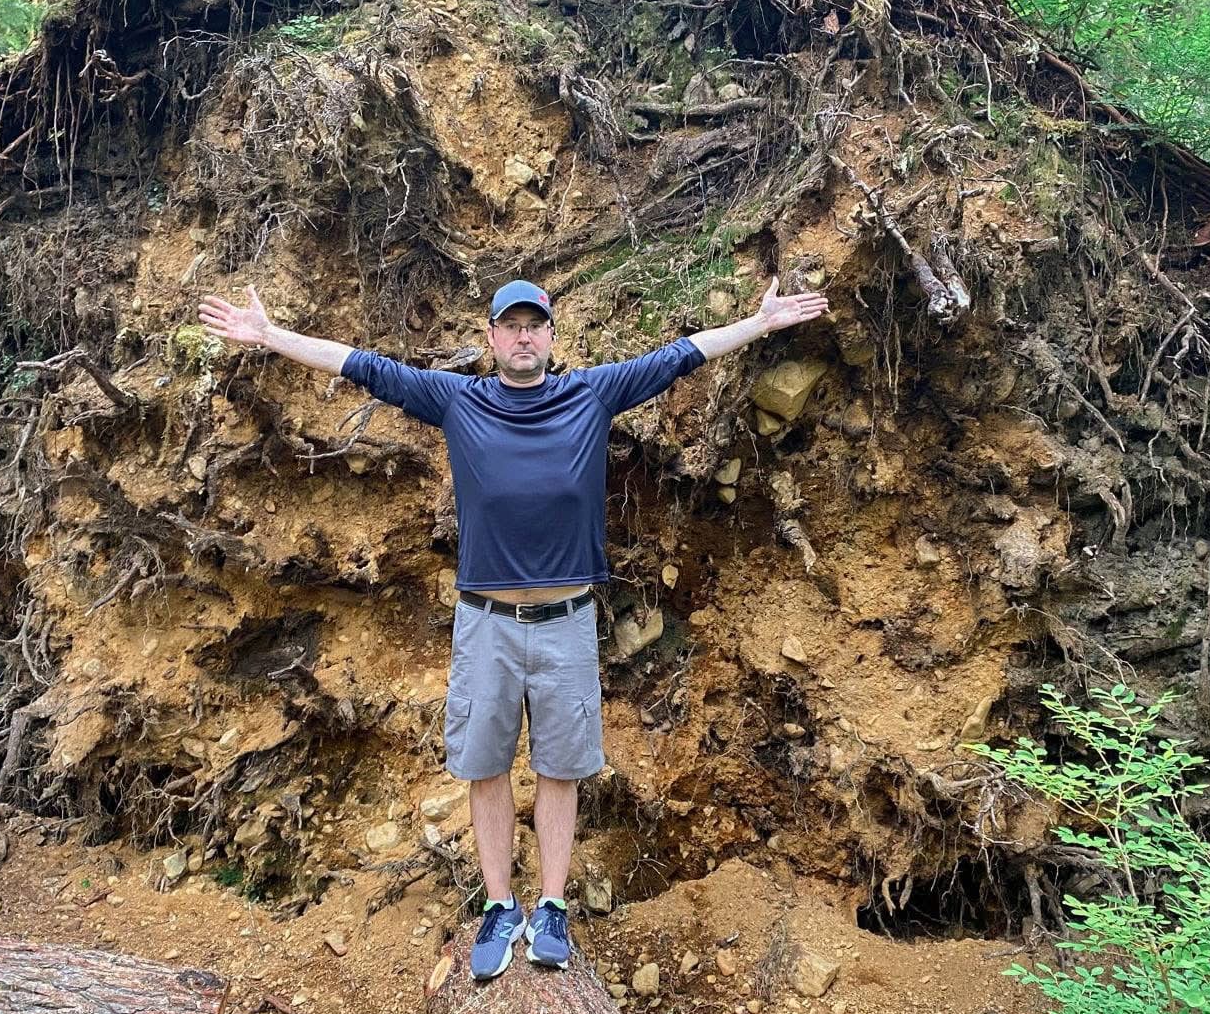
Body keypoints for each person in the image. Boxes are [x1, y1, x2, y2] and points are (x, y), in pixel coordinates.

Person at [197, 276, 828, 978]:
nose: (524, 336)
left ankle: (551, 905)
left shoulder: (591, 393)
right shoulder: (457, 401)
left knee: (560, 766)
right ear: (492, 338)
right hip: (486, 623)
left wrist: (758, 323)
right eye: (511, 325)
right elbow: (361, 365)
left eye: (536, 325)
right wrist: (270, 335)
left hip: (565, 621)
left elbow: (680, 355)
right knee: (485, 765)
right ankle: (501, 906)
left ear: (550, 338)